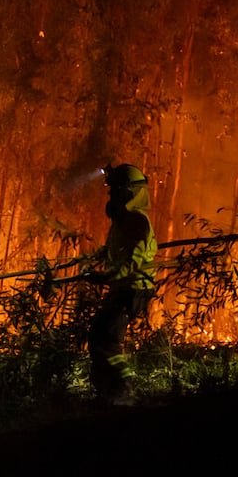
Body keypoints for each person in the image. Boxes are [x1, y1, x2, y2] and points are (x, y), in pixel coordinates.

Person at [86, 163, 157, 406]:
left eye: (114, 191)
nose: (110, 196)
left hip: (133, 289)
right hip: (122, 287)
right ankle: (106, 391)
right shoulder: (123, 222)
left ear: (129, 193)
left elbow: (133, 261)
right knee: (98, 336)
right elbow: (115, 252)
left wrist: (107, 277)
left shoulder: (138, 221)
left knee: (107, 339)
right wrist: (96, 259)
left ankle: (122, 392)